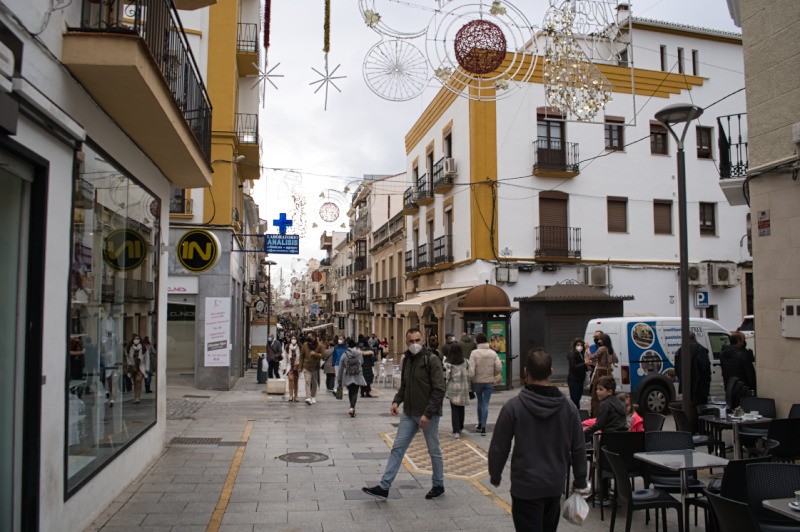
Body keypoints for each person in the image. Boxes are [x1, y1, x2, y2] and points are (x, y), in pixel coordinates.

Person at [488, 348, 589, 531]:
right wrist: (580, 480)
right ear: (551, 371)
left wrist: (495, 474)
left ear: (526, 371)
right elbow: (578, 447)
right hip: (554, 485)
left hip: (525, 486)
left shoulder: (514, 406)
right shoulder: (569, 408)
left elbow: (499, 446)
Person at [362, 328, 446, 501]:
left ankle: (438, 484)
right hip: (409, 412)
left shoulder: (431, 359)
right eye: (411, 341)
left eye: (417, 340)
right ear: (406, 342)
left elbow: (439, 389)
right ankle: (384, 487)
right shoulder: (407, 359)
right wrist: (396, 401)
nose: (415, 344)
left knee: (433, 450)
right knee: (397, 448)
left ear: (422, 340)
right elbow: (405, 385)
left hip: (427, 414)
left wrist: (428, 414)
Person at [674, 331, 712, 432]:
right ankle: (695, 431)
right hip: (699, 386)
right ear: (695, 337)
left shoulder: (680, 351)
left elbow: (677, 369)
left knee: (690, 409)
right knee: (698, 410)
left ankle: (690, 431)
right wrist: (707, 382)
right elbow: (705, 368)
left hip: (687, 387)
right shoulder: (701, 349)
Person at [471, 332, 502, 436]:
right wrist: (492, 374)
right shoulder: (492, 353)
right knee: (486, 403)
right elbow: (499, 367)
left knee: (479, 402)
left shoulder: (474, 353)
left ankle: (480, 424)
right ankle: (484, 427)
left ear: (477, 341)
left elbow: (471, 369)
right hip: (489, 382)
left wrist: (472, 378)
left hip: (477, 381)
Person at [444, 344, 474, 439]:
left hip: (453, 389)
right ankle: (461, 426)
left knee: (454, 409)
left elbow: (446, 376)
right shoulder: (465, 362)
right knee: (461, 408)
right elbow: (471, 374)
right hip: (463, 388)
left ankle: (456, 430)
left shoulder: (448, 363)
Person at [589, 333, 618, 417]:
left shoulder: (601, 348)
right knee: (608, 395)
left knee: (595, 396)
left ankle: (595, 415)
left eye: (600, 339)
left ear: (603, 340)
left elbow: (592, 357)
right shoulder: (610, 349)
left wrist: (587, 349)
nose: (598, 341)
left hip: (600, 373)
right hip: (608, 374)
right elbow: (616, 360)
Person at [337, 339, 368, 417]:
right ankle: (352, 407)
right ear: (355, 345)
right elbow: (362, 362)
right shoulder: (359, 353)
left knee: (350, 391)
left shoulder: (344, 355)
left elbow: (340, 368)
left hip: (348, 375)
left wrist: (339, 380)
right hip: (357, 375)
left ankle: (351, 406)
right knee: (355, 392)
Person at [299, 331, 325, 405]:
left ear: (314, 337)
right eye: (307, 336)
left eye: (310, 336)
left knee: (314, 383)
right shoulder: (305, 345)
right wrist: (300, 367)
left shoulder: (319, 345)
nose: (308, 337)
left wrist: (315, 354)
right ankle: (308, 397)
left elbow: (323, 356)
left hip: (315, 367)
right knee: (307, 382)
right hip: (306, 366)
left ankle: (313, 396)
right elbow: (301, 356)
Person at [126, 334, 150, 404]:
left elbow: (147, 359)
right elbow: (128, 357)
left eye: (137, 338)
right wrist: (130, 364)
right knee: (135, 382)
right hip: (133, 367)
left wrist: (147, 368)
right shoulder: (130, 348)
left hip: (141, 367)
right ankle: (136, 397)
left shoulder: (143, 348)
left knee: (138, 380)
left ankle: (138, 397)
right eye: (135, 338)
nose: (136, 340)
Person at [565, 337, 588, 411]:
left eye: (581, 345)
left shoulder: (581, 354)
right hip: (574, 380)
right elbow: (573, 367)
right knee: (574, 398)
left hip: (580, 379)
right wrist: (585, 364)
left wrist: (587, 367)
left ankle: (576, 411)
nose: (580, 347)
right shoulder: (572, 354)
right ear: (574, 346)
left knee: (578, 397)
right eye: (578, 345)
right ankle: (574, 412)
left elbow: (582, 366)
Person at [100, 329, 118, 406]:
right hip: (106, 365)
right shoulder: (103, 340)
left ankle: (113, 398)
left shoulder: (114, 338)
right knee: (109, 380)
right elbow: (102, 350)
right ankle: (109, 394)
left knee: (114, 381)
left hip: (114, 365)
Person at [284, 335, 301, 402]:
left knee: (296, 381)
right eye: (292, 338)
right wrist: (284, 367)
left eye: (294, 338)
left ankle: (296, 395)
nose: (293, 339)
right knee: (290, 379)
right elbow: (285, 357)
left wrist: (300, 366)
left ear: (297, 339)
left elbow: (301, 357)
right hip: (290, 365)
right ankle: (290, 395)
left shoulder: (300, 347)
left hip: (297, 365)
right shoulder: (287, 347)